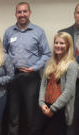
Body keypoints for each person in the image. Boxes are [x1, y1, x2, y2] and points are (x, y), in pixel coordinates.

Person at [3, 2, 51, 135]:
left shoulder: (38, 31)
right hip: (13, 77)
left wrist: (34, 68)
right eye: (19, 12)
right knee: (13, 113)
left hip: (31, 78)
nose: (22, 14)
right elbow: (3, 54)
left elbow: (46, 54)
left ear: (30, 13)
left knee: (31, 114)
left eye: (25, 11)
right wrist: (9, 69)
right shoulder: (9, 32)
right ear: (15, 14)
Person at [37, 32, 78, 135]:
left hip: (59, 109)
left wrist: (53, 109)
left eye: (62, 43)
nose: (58, 46)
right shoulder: (49, 63)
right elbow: (43, 85)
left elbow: (69, 92)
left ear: (68, 46)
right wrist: (42, 103)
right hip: (45, 107)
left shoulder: (71, 65)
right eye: (56, 43)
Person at [58, 3, 79, 135]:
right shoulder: (63, 33)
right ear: (74, 14)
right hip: (69, 83)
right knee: (69, 118)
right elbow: (58, 58)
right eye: (78, 12)